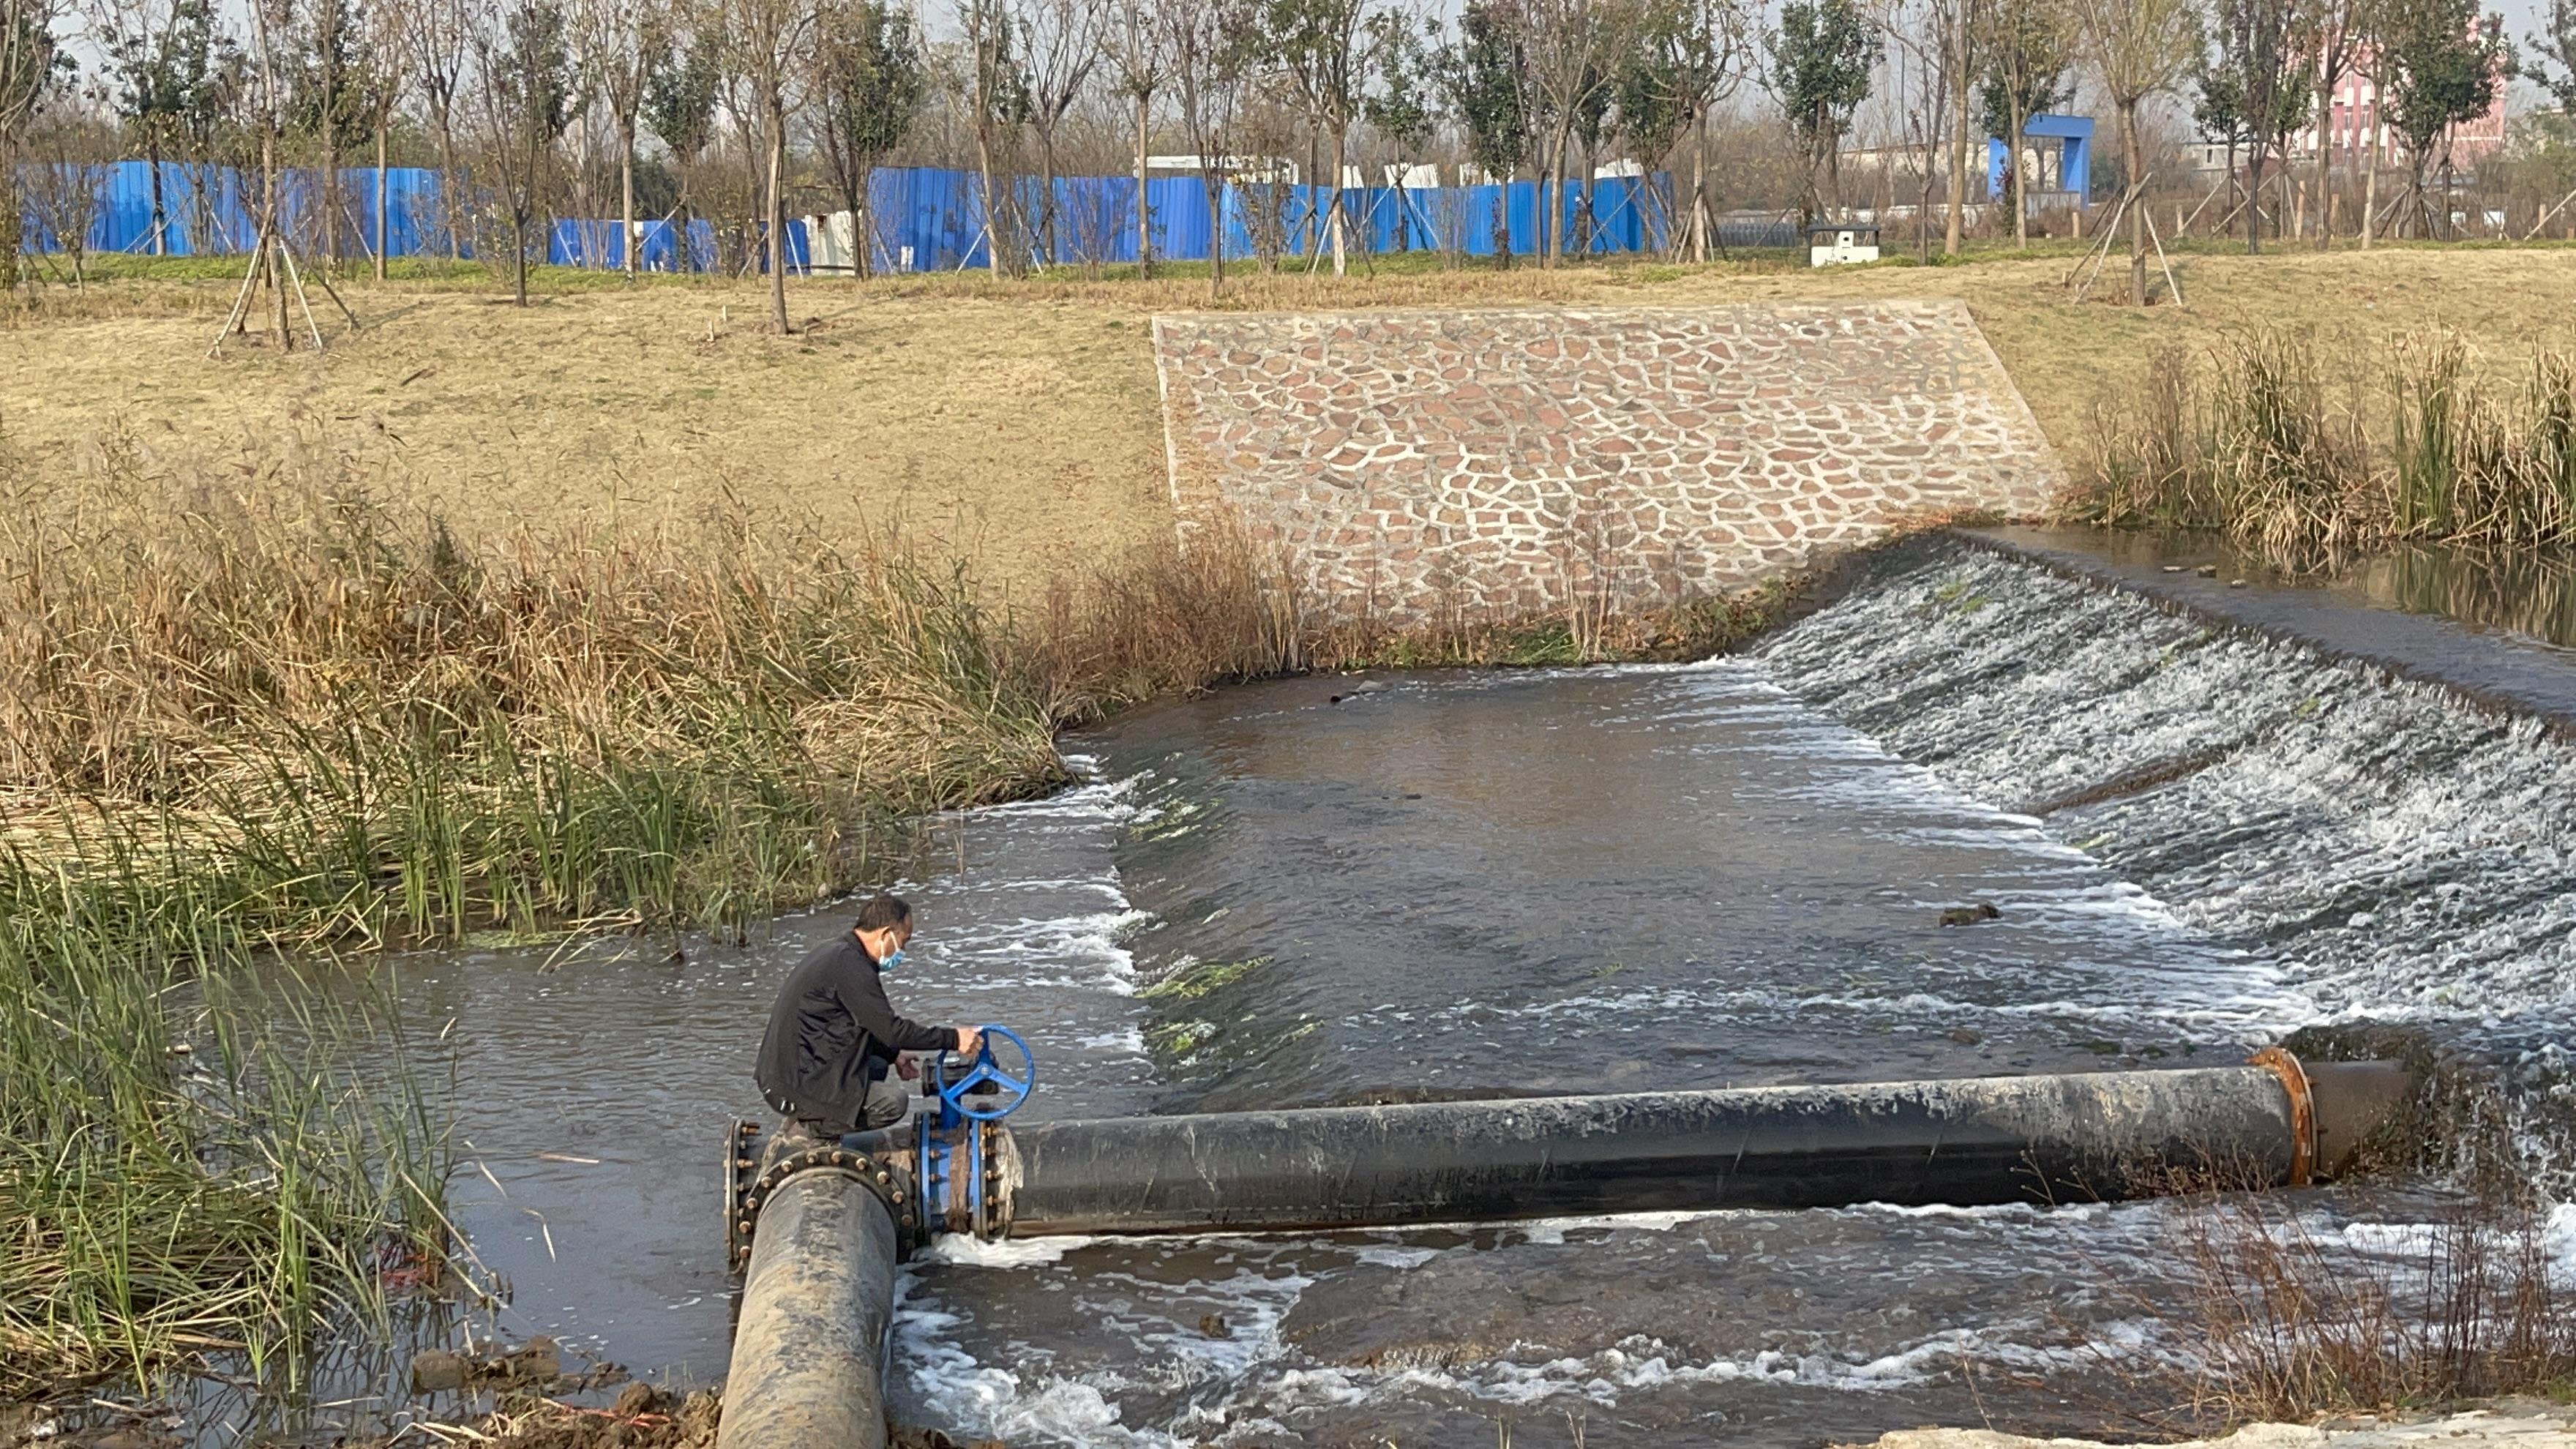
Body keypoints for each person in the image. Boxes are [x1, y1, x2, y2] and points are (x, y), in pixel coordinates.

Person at [754, 894, 981, 1139]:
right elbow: (892, 1030)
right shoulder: (852, 967)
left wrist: (893, 1055)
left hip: (784, 1076)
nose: (902, 951)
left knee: (877, 1066)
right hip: (791, 1085)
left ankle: (811, 1114)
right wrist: (954, 1039)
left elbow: (856, 1026)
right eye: (903, 942)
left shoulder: (838, 954)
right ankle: (811, 1129)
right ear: (886, 934)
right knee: (893, 1103)